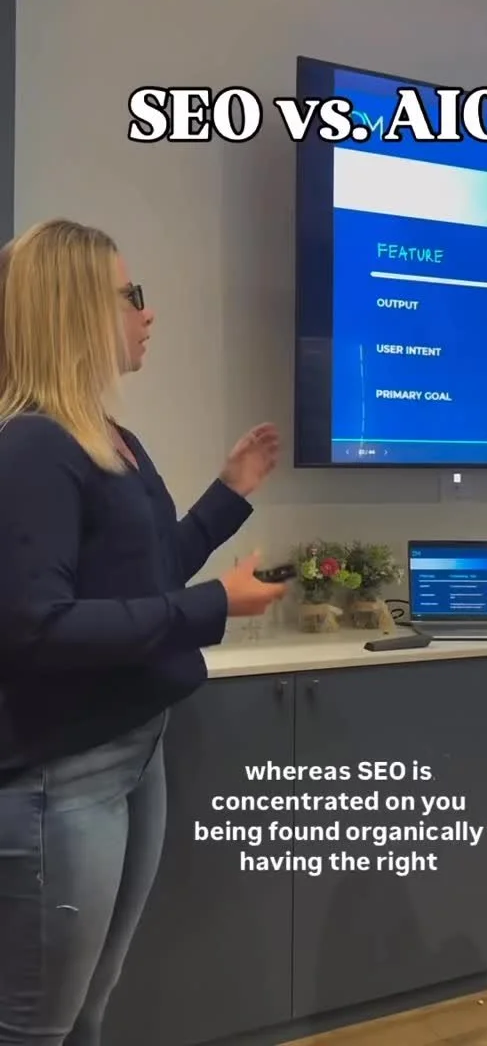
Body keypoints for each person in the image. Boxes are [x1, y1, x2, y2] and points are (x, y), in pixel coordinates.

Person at [0, 218, 286, 1046]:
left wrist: (229, 495)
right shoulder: (32, 448)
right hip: (63, 777)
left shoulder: (108, 440)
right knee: (38, 1027)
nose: (147, 311)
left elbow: (151, 574)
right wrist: (214, 605)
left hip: (135, 750)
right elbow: (35, 628)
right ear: (77, 310)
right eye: (132, 294)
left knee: (88, 1009)